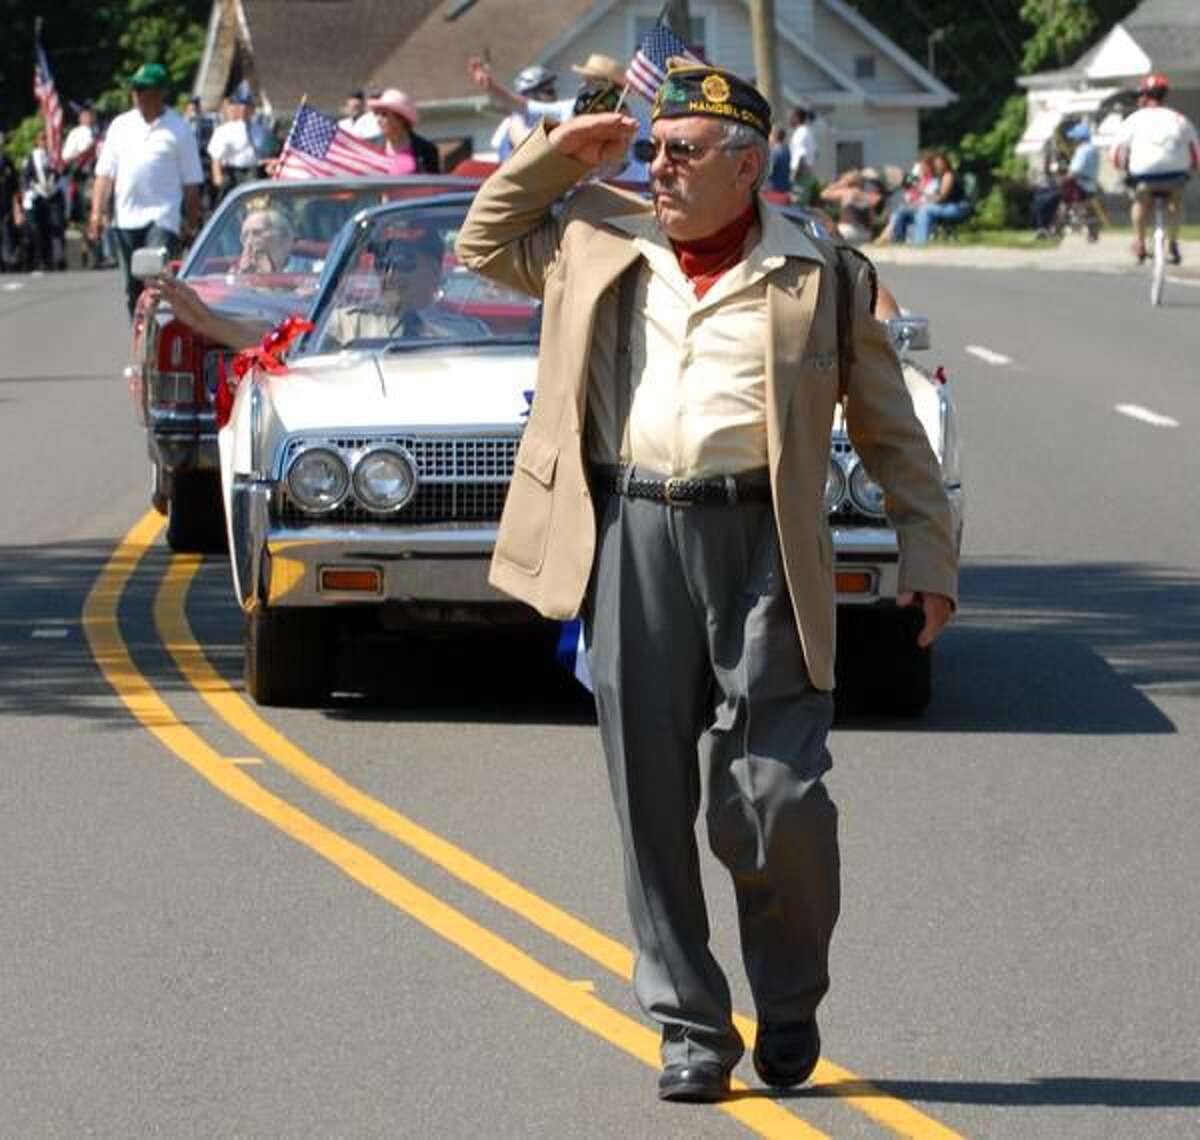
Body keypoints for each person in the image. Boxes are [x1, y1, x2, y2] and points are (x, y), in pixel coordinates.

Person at [456, 60, 957, 1103]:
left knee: (775, 799)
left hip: (765, 545)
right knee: (648, 797)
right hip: (633, 529)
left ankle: (788, 1000)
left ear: (750, 164)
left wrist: (927, 552)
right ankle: (689, 1024)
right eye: (652, 149)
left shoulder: (820, 269)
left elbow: (890, 426)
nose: (659, 169)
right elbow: (482, 239)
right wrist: (559, 152)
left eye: (681, 152)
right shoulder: (600, 240)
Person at [89, 62, 203, 318]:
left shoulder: (179, 128)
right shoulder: (120, 125)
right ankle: (139, 342)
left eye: (144, 89)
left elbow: (191, 183)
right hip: (126, 219)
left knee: (155, 285)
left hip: (163, 218)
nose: (137, 95)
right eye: (135, 89)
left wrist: (191, 223)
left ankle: (159, 342)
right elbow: (104, 174)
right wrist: (96, 213)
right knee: (132, 289)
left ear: (160, 92)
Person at [1112, 73, 1199, 265]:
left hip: (1144, 175)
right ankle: (1173, 244)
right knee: (1175, 202)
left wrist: (1122, 169)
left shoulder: (1133, 120)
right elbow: (1195, 152)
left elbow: (1117, 153)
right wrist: (1191, 168)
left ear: (1144, 95)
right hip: (1175, 174)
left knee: (1141, 202)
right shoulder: (1179, 119)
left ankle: (1140, 243)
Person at [364, 89, 440, 174]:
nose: (378, 119)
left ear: (401, 119)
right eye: (377, 114)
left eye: (384, 115)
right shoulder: (370, 147)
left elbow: (433, 185)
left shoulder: (426, 150)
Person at [21, 129, 66, 271]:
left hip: (53, 195)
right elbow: (26, 177)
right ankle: (42, 260)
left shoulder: (54, 156)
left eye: (46, 138)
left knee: (56, 226)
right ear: (37, 141)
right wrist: (37, 187)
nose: (44, 142)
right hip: (38, 196)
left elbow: (61, 173)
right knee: (39, 230)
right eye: (42, 139)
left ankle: (59, 258)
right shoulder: (31, 157)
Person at [207, 90, 260, 200]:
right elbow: (216, 158)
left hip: (253, 173)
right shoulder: (224, 131)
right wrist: (218, 178)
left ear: (252, 110)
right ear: (235, 108)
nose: (244, 109)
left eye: (247, 106)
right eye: (241, 106)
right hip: (233, 175)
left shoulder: (259, 130)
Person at [820, 167, 886, 245]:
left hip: (846, 232)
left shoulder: (847, 192)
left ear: (848, 182)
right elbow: (872, 221)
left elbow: (824, 194)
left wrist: (840, 183)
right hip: (864, 234)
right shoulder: (867, 197)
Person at [788, 106, 818, 203]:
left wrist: (794, 175)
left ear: (797, 117)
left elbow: (801, 155)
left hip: (800, 171)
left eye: (791, 116)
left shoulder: (801, 132)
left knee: (797, 202)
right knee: (802, 201)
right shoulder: (807, 131)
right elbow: (816, 153)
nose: (789, 119)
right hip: (806, 170)